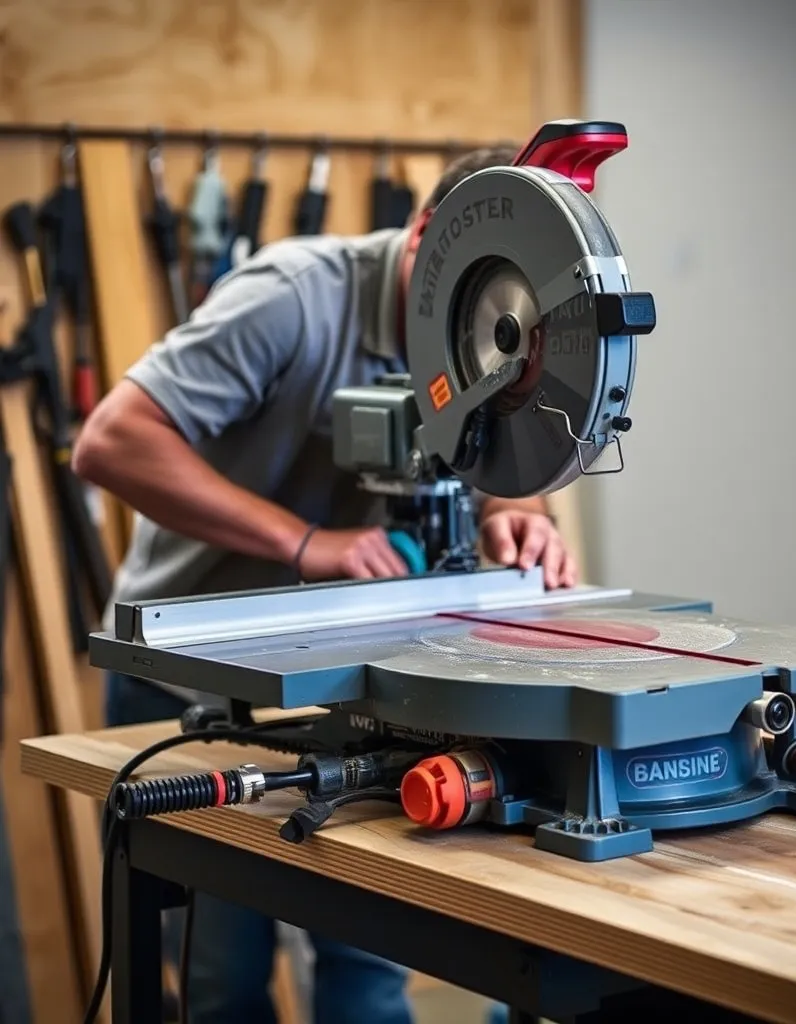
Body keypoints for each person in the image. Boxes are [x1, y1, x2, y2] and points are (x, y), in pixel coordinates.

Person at [72, 145, 577, 1024]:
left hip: (353, 687)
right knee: (224, 979)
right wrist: (307, 542)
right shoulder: (293, 297)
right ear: (429, 241)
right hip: (200, 678)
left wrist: (512, 515)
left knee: (368, 964)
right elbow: (110, 441)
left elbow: (496, 450)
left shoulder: (491, 320)